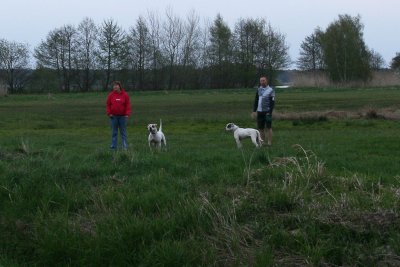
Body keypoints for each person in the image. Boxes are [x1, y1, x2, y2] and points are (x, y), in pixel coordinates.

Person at [106, 81, 131, 150]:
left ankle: (125, 147)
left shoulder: (125, 95)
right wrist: (109, 113)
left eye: (116, 85)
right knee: (114, 132)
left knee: (123, 132)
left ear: (119, 86)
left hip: (123, 117)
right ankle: (113, 147)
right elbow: (108, 105)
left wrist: (127, 114)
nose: (115, 87)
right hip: (113, 116)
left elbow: (128, 105)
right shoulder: (110, 95)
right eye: (114, 86)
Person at [251, 76, 275, 146]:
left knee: (268, 127)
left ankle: (269, 142)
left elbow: (272, 102)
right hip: (259, 112)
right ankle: (262, 142)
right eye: (261, 81)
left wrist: (270, 112)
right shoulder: (258, 89)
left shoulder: (271, 90)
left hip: (267, 112)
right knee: (260, 128)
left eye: (263, 80)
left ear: (266, 81)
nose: (262, 82)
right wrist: (254, 110)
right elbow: (256, 100)